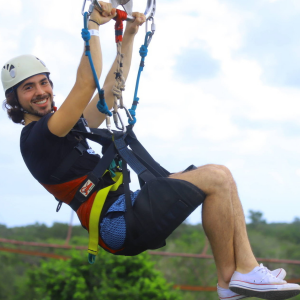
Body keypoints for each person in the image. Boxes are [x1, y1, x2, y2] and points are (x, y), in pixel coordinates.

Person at [2, 2, 300, 299]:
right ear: (14, 100)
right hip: (115, 222)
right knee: (217, 177)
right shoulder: (37, 137)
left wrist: (129, 34)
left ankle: (234, 278)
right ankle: (240, 275)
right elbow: (86, 83)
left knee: (222, 180)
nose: (40, 91)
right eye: (28, 88)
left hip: (123, 213)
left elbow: (109, 90)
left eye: (44, 83)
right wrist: (91, 26)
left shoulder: (67, 128)